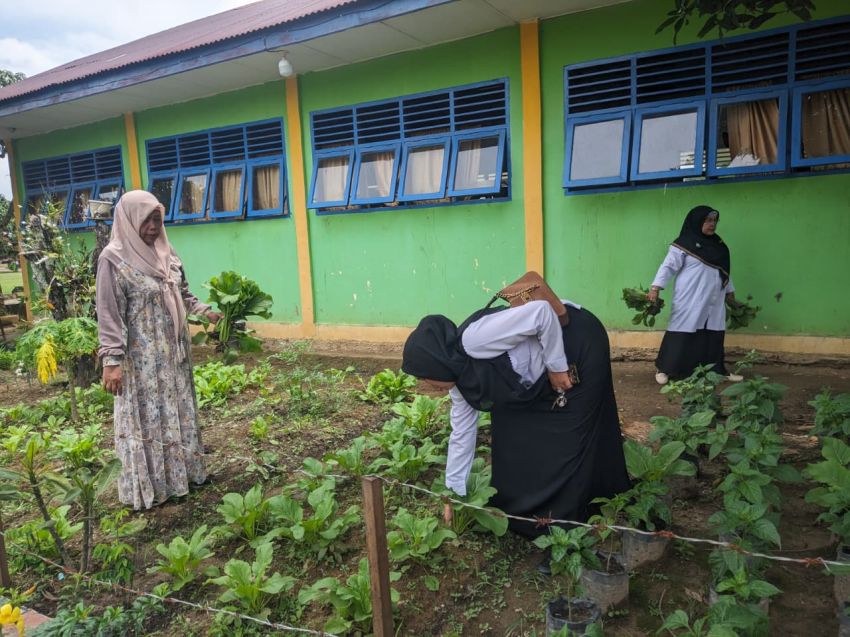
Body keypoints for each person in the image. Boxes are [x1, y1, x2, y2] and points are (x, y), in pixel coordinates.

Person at [401, 285, 630, 547]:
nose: (426, 384)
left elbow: (543, 313)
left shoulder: (474, 339)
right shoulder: (462, 385)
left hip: (575, 342)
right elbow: (462, 435)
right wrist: (453, 494)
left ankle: (565, 533)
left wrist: (557, 367)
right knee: (517, 437)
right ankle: (526, 517)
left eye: (423, 375)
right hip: (542, 371)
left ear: (435, 361)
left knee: (570, 439)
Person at [96, 190, 220, 510]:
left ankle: (184, 476)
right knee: (149, 420)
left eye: (157, 219)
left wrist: (206, 312)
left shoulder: (167, 252)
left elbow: (185, 294)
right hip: (143, 361)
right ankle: (153, 487)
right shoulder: (113, 259)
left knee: (177, 411)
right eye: (145, 219)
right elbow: (109, 313)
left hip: (174, 355)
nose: (153, 226)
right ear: (129, 219)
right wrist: (112, 360)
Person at [648, 205, 742, 385]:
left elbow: (724, 270)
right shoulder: (683, 243)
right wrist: (656, 287)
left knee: (713, 333)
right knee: (682, 330)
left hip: (715, 298)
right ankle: (666, 369)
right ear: (697, 221)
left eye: (714, 220)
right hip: (690, 297)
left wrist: (729, 290)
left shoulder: (719, 246)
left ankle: (716, 371)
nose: (712, 224)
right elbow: (668, 266)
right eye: (708, 220)